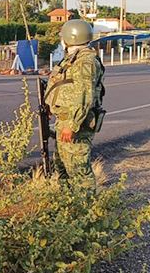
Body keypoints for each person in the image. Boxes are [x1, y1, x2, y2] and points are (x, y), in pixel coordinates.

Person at [45, 19, 106, 187]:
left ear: (70, 38)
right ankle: (68, 207)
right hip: (65, 119)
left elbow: (84, 95)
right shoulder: (74, 58)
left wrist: (72, 124)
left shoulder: (85, 62)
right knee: (62, 167)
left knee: (79, 170)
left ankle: (85, 209)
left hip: (76, 122)